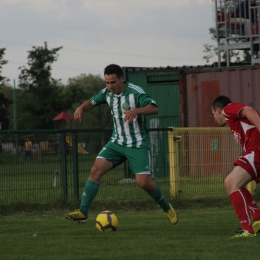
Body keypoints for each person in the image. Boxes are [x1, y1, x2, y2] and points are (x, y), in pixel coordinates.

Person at [65, 64, 178, 225]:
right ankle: (83, 212)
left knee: (143, 183)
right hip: (116, 142)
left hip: (137, 143)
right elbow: (92, 102)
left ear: (121, 79)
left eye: (113, 82)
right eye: (107, 83)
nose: (110, 86)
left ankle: (167, 208)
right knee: (95, 170)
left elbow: (154, 108)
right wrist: (81, 108)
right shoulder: (106, 93)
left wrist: (136, 111)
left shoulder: (135, 92)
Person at [211, 95, 260, 238]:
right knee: (236, 183)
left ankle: (247, 229)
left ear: (218, 110)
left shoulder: (227, 109)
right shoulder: (236, 122)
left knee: (231, 183)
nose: (214, 118)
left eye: (213, 113)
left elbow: (249, 110)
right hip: (254, 151)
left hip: (257, 150)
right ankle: (257, 216)